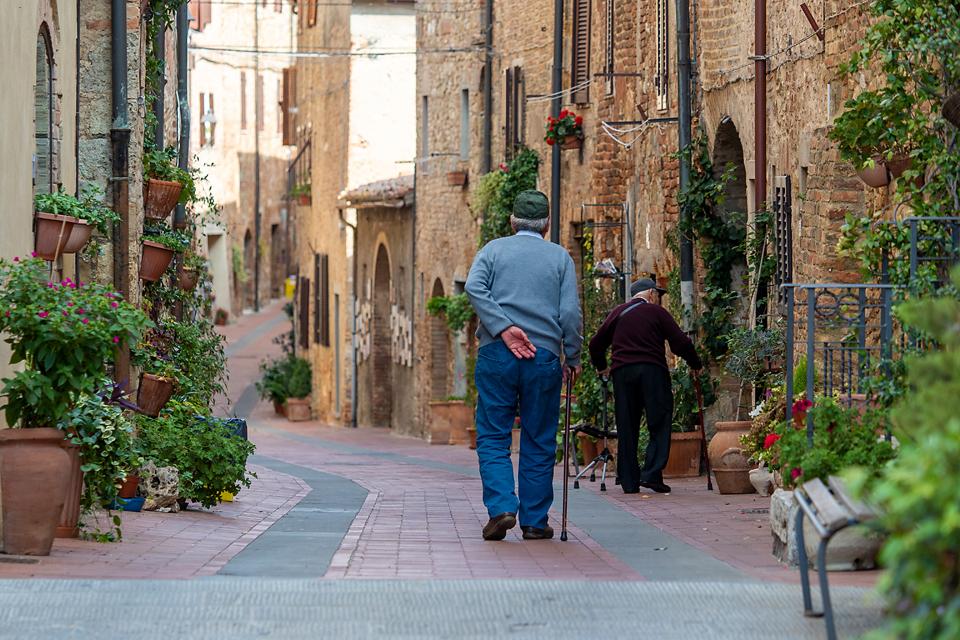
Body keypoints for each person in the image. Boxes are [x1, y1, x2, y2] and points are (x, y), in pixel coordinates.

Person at [465, 190, 583, 541]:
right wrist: (572, 356)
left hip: (496, 353)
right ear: (547, 224)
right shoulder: (560, 258)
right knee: (539, 437)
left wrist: (501, 326)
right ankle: (534, 520)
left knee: (493, 434)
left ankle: (502, 506)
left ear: (512, 221)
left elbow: (474, 287)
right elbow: (570, 315)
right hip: (543, 356)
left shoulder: (492, 251)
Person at [588, 277, 702, 494]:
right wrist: (695, 363)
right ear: (650, 293)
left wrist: (602, 366)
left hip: (623, 373)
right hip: (652, 371)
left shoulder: (617, 312)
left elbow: (596, 343)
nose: (658, 299)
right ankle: (651, 475)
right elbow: (680, 342)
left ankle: (629, 482)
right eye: (658, 294)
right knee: (659, 421)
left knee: (626, 425)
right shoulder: (657, 313)